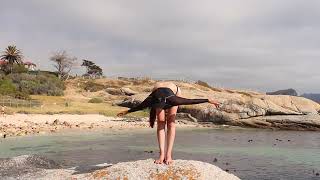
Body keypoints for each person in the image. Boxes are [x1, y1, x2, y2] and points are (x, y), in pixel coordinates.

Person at [117, 81, 220, 165]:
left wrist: (208, 100)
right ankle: (162, 154)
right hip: (157, 91)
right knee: (161, 122)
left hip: (173, 91)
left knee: (171, 122)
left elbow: (190, 101)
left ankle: (169, 154)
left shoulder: (174, 100)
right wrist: (126, 112)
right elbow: (139, 107)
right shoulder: (151, 100)